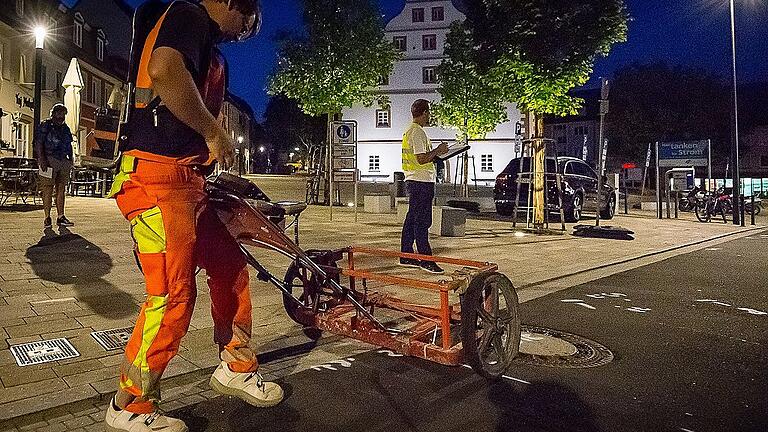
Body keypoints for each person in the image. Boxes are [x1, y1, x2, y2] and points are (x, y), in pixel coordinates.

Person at [104, 1, 281, 431]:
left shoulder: (201, 38)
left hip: (185, 180)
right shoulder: (188, 13)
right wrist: (214, 132)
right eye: (248, 20)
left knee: (230, 269)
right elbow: (164, 69)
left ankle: (236, 367)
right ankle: (130, 404)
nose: (246, 31)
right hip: (157, 180)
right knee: (172, 295)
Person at [399, 99, 448, 274]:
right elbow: (421, 158)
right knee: (422, 221)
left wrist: (435, 155)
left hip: (414, 180)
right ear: (425, 112)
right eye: (429, 113)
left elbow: (419, 158)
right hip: (421, 182)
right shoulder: (418, 132)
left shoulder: (409, 131)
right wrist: (438, 150)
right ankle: (426, 259)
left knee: (412, 218)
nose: (429, 116)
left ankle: (406, 254)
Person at [34, 103, 74, 228]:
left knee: (61, 189)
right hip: (49, 159)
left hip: (63, 160)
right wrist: (42, 159)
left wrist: (70, 159)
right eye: (59, 113)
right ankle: (47, 217)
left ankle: (60, 216)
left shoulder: (65, 128)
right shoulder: (45, 125)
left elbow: (69, 144)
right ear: (53, 113)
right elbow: (38, 142)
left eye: (63, 113)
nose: (61, 116)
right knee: (47, 189)